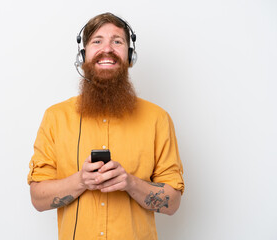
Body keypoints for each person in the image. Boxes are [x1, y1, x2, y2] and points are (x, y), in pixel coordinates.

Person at [27, 12, 184, 240]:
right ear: (84, 55)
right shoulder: (55, 117)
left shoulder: (157, 119)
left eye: (117, 41)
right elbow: (38, 199)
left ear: (130, 56)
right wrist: (80, 181)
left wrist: (130, 183)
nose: (107, 49)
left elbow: (172, 203)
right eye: (97, 41)